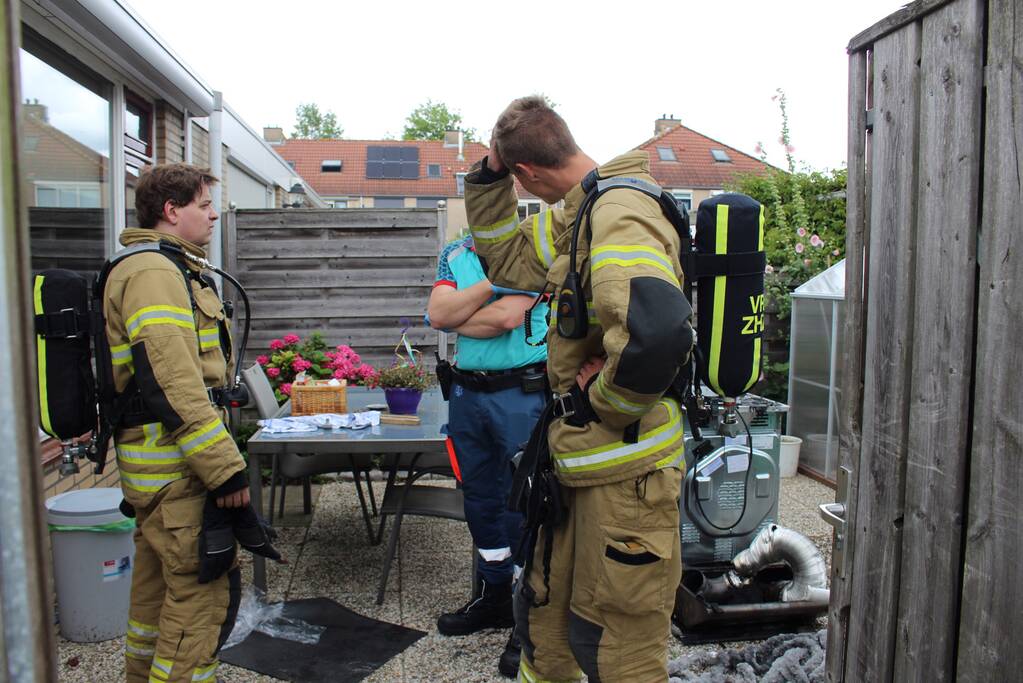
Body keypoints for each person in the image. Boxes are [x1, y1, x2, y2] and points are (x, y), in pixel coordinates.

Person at [463, 96, 692, 682]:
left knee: (619, 649)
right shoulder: (581, 209)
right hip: (582, 465)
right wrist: (487, 178)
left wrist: (601, 401)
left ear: (529, 174)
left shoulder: (620, 212)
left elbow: (659, 331)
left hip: (625, 474)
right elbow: (510, 263)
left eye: (513, 178)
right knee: (549, 631)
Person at [106, 163, 255, 683]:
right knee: (200, 599)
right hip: (177, 473)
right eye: (203, 204)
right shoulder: (153, 274)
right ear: (171, 211)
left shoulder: (166, 268)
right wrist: (224, 469)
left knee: (154, 598)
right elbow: (175, 381)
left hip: (157, 475)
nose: (214, 215)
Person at [427, 232, 551, 677]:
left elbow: (504, 319)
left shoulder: (533, 252)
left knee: (526, 503)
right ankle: (495, 595)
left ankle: (529, 615)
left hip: (521, 393)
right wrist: (492, 285)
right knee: (479, 500)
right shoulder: (455, 253)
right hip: (467, 394)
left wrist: (463, 311)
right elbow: (437, 314)